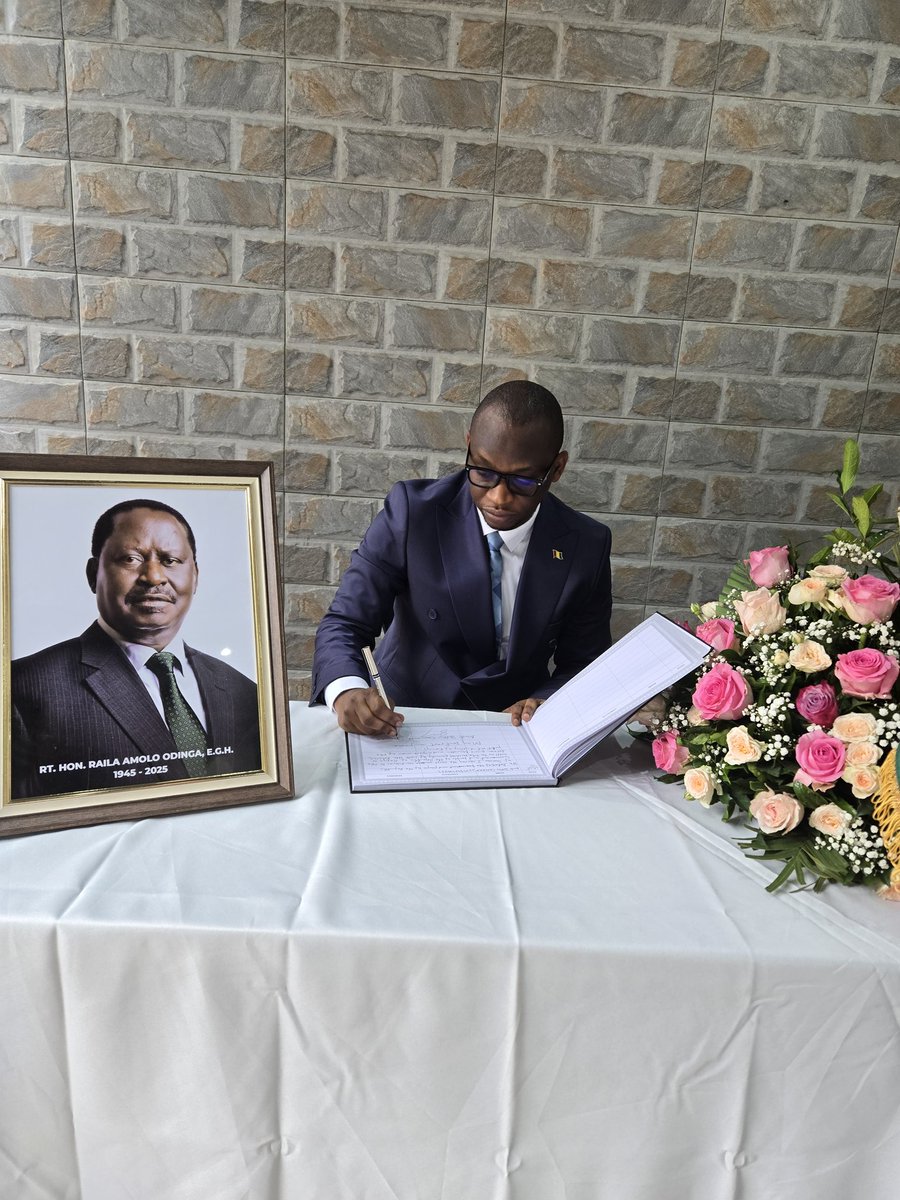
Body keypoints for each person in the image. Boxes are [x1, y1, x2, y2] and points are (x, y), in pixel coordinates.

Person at [312, 381, 613, 736]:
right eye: (483, 471)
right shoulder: (414, 513)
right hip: (404, 718)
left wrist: (548, 700)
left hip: (515, 729)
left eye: (523, 481)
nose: (498, 497)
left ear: (556, 468)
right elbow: (346, 622)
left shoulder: (586, 544)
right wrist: (346, 689)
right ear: (470, 446)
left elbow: (583, 662)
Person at [11, 499, 262, 799]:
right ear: (93, 574)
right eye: (131, 559)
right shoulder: (21, 688)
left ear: (195, 575)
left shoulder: (243, 692)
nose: (154, 577)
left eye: (170, 560)